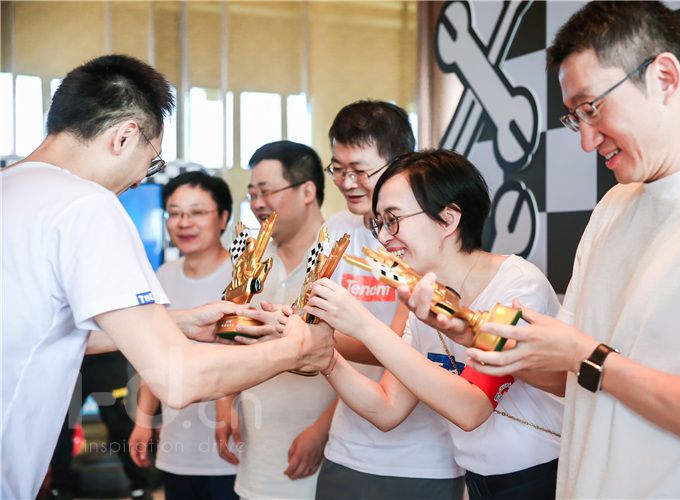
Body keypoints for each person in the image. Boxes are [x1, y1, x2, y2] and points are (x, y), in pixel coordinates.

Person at [0, 54, 333, 499]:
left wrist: (180, 322)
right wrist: (298, 347)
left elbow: (40, 330)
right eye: (152, 161)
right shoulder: (87, 206)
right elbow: (179, 378)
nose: (141, 181)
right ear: (125, 135)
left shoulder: (11, 186)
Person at [458, 2, 680, 498]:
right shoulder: (614, 206)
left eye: (592, 108)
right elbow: (572, 376)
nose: (587, 141)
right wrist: (479, 331)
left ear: (663, 77)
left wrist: (586, 355)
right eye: (576, 118)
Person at [305, 150, 564, 499]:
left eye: (393, 219)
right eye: (379, 223)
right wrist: (325, 356)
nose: (384, 238)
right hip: (479, 480)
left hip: (540, 476)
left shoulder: (516, 285)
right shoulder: (423, 298)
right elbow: (387, 408)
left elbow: (471, 408)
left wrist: (363, 324)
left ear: (447, 219)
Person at [313, 101, 464, 500]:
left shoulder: (427, 242)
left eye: (360, 170)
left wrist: (315, 342)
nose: (347, 182)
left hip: (421, 458)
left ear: (400, 166)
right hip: (346, 445)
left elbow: (402, 347)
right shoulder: (335, 229)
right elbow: (318, 317)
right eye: (338, 168)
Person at [213, 141, 336, 499]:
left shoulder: (340, 257)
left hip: (324, 454)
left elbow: (370, 361)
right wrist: (224, 402)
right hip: (257, 453)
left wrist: (323, 430)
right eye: (252, 194)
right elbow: (233, 333)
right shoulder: (250, 260)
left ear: (307, 191)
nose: (257, 203)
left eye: (266, 191)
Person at [128, 171, 238, 499]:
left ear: (223, 217)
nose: (183, 223)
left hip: (233, 444)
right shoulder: (163, 275)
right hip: (177, 447)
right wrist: (143, 420)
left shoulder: (242, 275)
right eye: (174, 213)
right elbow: (153, 354)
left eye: (197, 212)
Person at [50, 351, 152, 500]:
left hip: (107, 359)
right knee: (60, 429)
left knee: (121, 424)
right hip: (70, 360)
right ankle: (59, 489)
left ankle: (140, 487)